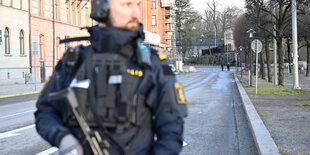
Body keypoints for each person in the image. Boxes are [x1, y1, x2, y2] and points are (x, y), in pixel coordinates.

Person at [34, 0, 187, 155]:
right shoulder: (74, 62)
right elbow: (45, 111)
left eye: (137, 5)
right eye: (127, 5)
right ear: (102, 7)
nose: (136, 14)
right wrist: (63, 139)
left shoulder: (152, 64)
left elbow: (171, 130)